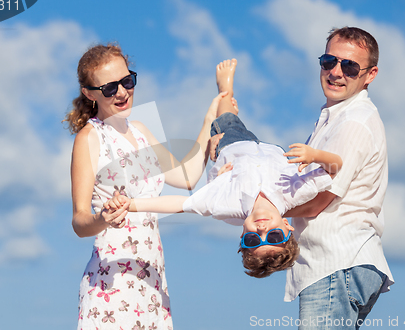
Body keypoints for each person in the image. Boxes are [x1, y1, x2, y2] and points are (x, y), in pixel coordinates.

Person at [107, 59, 342, 278]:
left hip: (232, 145)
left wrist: (131, 205)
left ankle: (224, 89)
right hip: (270, 150)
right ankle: (224, 121)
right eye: (274, 236)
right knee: (235, 129)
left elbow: (181, 204)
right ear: (287, 226)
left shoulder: (226, 204)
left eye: (253, 239)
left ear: (243, 235)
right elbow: (335, 168)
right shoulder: (295, 194)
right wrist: (315, 155)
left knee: (226, 113)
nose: (262, 230)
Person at [63, 43, 225, 330]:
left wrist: (210, 117)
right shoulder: (89, 138)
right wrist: (102, 219)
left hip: (152, 281)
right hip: (111, 284)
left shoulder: (141, 130)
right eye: (110, 88)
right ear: (89, 94)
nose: (123, 93)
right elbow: (79, 221)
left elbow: (186, 177)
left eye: (127, 81)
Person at [281, 27, 394, 329]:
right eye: (328, 61)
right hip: (338, 264)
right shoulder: (336, 116)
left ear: (370, 75)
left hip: (337, 262)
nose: (335, 72)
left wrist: (266, 211)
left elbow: (319, 200)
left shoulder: (354, 121)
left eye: (350, 66)